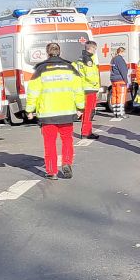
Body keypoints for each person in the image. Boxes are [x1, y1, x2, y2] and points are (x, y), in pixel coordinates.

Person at [25, 43, 85, 180]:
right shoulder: (70, 69)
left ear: (47, 53)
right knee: (67, 140)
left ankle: (52, 171)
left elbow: (33, 92)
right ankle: (67, 163)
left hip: (47, 114)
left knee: (50, 143)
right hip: (67, 113)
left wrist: (29, 110)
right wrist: (80, 108)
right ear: (59, 52)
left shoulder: (41, 70)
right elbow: (78, 90)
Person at [73, 40, 101, 139]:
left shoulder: (80, 58)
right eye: (95, 49)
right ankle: (85, 132)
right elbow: (90, 75)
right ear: (91, 48)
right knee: (89, 112)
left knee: (87, 112)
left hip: (84, 88)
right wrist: (96, 84)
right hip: (89, 88)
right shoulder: (88, 60)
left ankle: (88, 131)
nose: (95, 51)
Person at [109, 47, 129, 118]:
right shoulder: (120, 59)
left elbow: (111, 70)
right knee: (121, 96)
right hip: (120, 80)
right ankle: (120, 113)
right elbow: (123, 71)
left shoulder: (113, 59)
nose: (124, 54)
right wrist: (126, 81)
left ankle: (116, 112)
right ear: (121, 52)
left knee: (114, 96)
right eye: (124, 52)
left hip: (113, 80)